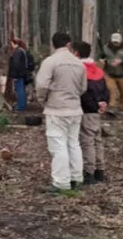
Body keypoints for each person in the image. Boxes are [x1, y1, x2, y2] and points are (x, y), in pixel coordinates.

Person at [35, 32, 87, 192]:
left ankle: (61, 183)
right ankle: (76, 177)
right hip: (75, 109)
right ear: (68, 44)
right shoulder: (79, 64)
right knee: (74, 143)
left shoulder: (50, 62)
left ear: (53, 44)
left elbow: (41, 85)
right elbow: (83, 87)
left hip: (56, 109)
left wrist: (42, 99)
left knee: (58, 146)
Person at [73, 41, 110, 184]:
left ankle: (89, 172)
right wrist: (103, 103)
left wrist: (94, 105)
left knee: (87, 142)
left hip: (86, 110)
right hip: (96, 111)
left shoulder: (79, 70)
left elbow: (84, 93)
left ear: (76, 53)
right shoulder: (97, 70)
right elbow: (105, 90)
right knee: (97, 140)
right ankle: (100, 170)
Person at [99, 32, 123, 111]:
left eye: (117, 42)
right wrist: (101, 60)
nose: (115, 43)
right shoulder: (105, 48)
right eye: (114, 42)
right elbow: (101, 56)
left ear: (121, 41)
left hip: (122, 74)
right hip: (109, 74)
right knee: (111, 91)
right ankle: (112, 108)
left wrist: (122, 61)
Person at [7, 38, 33, 111]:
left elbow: (16, 64)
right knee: (21, 90)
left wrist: (15, 74)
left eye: (12, 43)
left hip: (19, 74)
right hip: (22, 74)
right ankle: (22, 105)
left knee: (20, 90)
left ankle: (21, 106)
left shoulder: (18, 52)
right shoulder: (21, 50)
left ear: (15, 43)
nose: (11, 45)